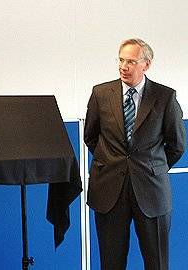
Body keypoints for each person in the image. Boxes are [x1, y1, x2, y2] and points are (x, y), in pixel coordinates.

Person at [84, 38, 186, 270]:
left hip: (151, 191)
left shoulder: (165, 97)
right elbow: (91, 136)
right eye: (121, 60)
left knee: (157, 263)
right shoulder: (101, 93)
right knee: (111, 263)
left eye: (130, 61)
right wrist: (113, 163)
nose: (123, 66)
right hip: (109, 190)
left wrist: (151, 167)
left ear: (146, 65)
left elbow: (176, 145)